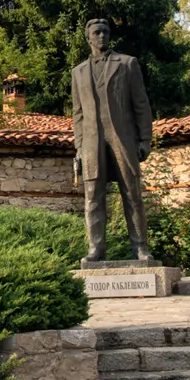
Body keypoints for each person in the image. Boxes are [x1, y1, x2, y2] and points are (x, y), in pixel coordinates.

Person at [71, 18, 154, 262]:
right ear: (89, 38)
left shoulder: (127, 64)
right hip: (91, 143)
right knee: (93, 196)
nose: (102, 36)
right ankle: (96, 249)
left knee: (132, 193)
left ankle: (140, 248)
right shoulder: (78, 72)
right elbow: (77, 114)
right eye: (97, 32)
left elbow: (141, 105)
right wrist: (78, 147)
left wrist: (144, 139)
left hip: (123, 139)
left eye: (106, 32)